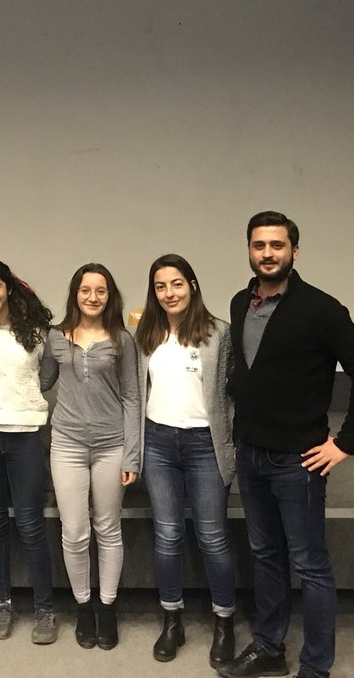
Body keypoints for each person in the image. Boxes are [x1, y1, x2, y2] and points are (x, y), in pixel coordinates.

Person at [219, 211, 354, 678]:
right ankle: (269, 647)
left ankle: (315, 667)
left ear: (294, 250)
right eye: (259, 245)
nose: (267, 253)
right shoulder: (240, 303)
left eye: (277, 245)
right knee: (265, 555)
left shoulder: (322, 309)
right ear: (249, 250)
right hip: (251, 456)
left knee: (310, 565)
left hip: (298, 462)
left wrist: (344, 444)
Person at [133, 253, 236, 666]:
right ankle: (172, 620)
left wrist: (232, 445)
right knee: (168, 535)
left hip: (204, 444)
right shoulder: (147, 334)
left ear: (192, 285)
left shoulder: (219, 334)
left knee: (212, 537)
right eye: (160, 286)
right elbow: (136, 394)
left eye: (177, 283)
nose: (169, 293)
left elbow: (231, 396)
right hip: (158, 443)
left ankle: (224, 622)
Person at [39, 262, 140, 651]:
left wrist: (132, 455)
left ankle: (107, 607)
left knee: (108, 528)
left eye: (100, 290)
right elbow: (43, 380)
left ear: (109, 296)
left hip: (111, 445)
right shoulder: (56, 336)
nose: (93, 297)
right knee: (75, 531)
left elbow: (132, 397)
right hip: (67, 444)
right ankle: (83, 606)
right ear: (75, 294)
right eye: (85, 290)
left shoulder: (122, 340)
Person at [0, 259, 57, 645]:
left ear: (8, 287)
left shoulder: (36, 330)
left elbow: (48, 376)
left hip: (25, 434)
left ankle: (44, 609)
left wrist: (24, 396)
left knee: (31, 525)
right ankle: (2, 603)